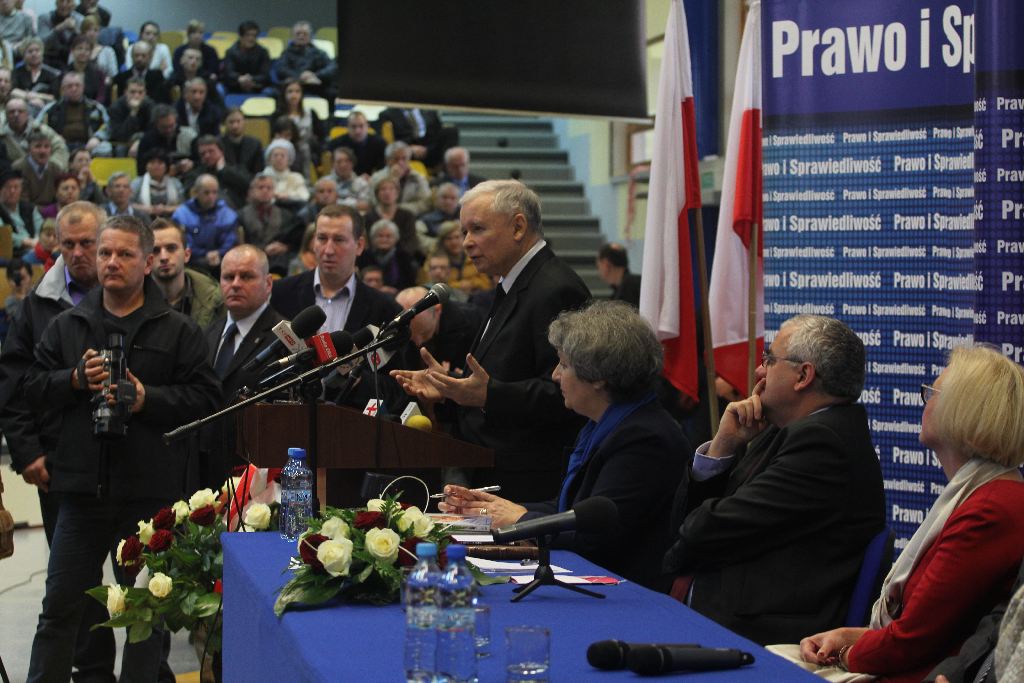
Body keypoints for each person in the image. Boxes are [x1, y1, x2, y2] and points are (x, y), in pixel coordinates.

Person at [23, 214, 220, 682]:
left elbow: (208, 401)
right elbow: (30, 389)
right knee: (59, 611)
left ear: (148, 261)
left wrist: (148, 398)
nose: (111, 262)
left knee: (145, 618)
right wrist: (72, 380)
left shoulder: (178, 330)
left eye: (125, 253)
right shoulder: (67, 325)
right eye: (105, 253)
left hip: (149, 498)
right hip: (79, 493)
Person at [787, 345, 1024, 683]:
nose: (924, 401)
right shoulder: (985, 494)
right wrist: (847, 637)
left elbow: (911, 642)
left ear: (963, 410)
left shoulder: (989, 510)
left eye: (933, 392)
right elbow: (920, 629)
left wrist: (844, 652)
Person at [662, 315, 885, 645]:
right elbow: (691, 526)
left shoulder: (823, 445)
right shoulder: (786, 430)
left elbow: (705, 530)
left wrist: (697, 525)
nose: (758, 372)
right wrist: (723, 446)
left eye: (769, 360)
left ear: (803, 376)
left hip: (763, 632)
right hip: (727, 608)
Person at [441, 300, 687, 587]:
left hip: (631, 596)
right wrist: (500, 508)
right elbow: (574, 509)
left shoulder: (646, 440)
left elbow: (597, 537)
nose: (555, 375)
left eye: (564, 365)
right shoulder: (607, 424)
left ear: (598, 377)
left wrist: (520, 518)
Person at [391, 179, 591, 501]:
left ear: (518, 227)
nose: (467, 242)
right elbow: (503, 378)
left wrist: (486, 395)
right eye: (464, 232)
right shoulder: (512, 282)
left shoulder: (554, 289)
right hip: (495, 468)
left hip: (529, 482)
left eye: (477, 229)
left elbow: (567, 393)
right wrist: (451, 388)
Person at [0, 202, 119, 682]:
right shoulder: (36, 306)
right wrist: (28, 453)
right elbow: (13, 387)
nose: (77, 253)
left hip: (132, 466)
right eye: (66, 245)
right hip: (60, 467)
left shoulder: (131, 296)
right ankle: (92, 672)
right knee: (74, 584)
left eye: (86, 243)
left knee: (142, 578)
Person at [199, 244, 282, 489]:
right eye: (228, 277)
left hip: (258, 475)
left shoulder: (284, 337)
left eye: (246, 276)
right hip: (206, 469)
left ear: (268, 284)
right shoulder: (208, 333)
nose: (235, 284)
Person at [271, 203, 399, 335]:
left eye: (339, 239)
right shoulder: (280, 293)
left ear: (360, 245)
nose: (328, 250)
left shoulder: (384, 309)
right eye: (322, 238)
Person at [150, 218, 224, 329]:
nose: (164, 257)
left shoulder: (216, 301)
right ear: (146, 259)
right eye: (156, 250)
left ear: (187, 255)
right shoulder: (132, 300)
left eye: (171, 248)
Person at [171, 173, 239, 271]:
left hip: (221, 259)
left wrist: (218, 253)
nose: (211, 197)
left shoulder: (227, 214)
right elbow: (184, 243)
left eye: (214, 192)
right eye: (206, 193)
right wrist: (205, 254)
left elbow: (230, 241)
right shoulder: (182, 214)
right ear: (196, 192)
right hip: (193, 261)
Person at [37, 71, 110, 155]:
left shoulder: (96, 108)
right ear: (63, 89)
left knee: (105, 148)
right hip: (60, 145)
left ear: (83, 87)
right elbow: (38, 126)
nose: (74, 89)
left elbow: (107, 125)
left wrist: (97, 138)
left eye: (77, 85)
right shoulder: (51, 108)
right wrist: (53, 137)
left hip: (88, 144)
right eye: (69, 86)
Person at [273, 78, 326, 180]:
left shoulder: (311, 113)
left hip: (308, 152)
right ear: (284, 94)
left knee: (305, 149)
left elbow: (321, 136)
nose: (294, 95)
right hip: (284, 151)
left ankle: (308, 182)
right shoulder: (277, 115)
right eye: (290, 91)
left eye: (297, 91)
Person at [183, 135, 252, 211]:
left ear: (221, 152)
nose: (207, 156)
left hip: (238, 214)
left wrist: (223, 170)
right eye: (203, 154)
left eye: (211, 151)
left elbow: (248, 185)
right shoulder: (195, 175)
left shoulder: (237, 169)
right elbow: (190, 195)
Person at [363, 175, 423, 263]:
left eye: (391, 189)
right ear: (377, 194)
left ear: (397, 193)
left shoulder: (407, 216)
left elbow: (411, 242)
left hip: (401, 259)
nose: (387, 192)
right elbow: (368, 243)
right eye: (383, 189)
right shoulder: (368, 217)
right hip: (374, 259)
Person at [273, 21, 336, 99]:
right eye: (298, 34)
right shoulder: (286, 53)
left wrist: (315, 75)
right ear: (293, 36)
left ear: (310, 36)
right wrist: (300, 76)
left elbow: (332, 67)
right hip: (293, 85)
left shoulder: (319, 53)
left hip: (315, 86)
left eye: (305, 34)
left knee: (333, 93)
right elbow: (281, 69)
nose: (301, 36)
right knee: (273, 93)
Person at [377, 106, 456, 168]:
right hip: (406, 152)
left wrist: (428, 148)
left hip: (429, 149)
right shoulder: (387, 114)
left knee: (450, 131)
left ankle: (450, 168)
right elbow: (387, 141)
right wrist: (408, 148)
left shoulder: (429, 110)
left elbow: (438, 131)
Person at [369, 140, 432, 216]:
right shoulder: (377, 177)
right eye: (396, 159)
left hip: (412, 216)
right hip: (383, 217)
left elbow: (425, 203)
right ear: (387, 160)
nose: (400, 163)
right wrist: (393, 179)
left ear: (409, 160)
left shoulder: (418, 178)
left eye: (404, 158)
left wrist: (400, 209)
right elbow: (375, 203)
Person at [355, 219, 417, 294]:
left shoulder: (404, 257)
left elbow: (410, 285)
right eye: (380, 236)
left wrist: (395, 291)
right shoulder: (363, 256)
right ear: (372, 238)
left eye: (388, 236)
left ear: (396, 239)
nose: (384, 239)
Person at [432, 220, 491, 294]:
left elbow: (486, 284)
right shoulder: (435, 261)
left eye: (457, 237)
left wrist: (471, 284)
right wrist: (460, 285)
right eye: (449, 238)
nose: (454, 242)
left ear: (463, 238)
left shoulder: (475, 256)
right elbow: (433, 285)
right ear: (442, 241)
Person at [328, 109, 385, 177]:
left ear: (367, 126)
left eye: (361, 126)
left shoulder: (380, 144)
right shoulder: (336, 144)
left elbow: (383, 169)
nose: (358, 131)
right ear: (348, 127)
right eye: (353, 127)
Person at [106, 77, 153, 157]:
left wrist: (139, 140)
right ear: (125, 93)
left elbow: (153, 130)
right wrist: (133, 113)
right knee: (120, 148)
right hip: (122, 142)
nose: (136, 96)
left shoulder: (151, 106)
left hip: (143, 141)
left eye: (140, 92)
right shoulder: (116, 107)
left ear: (145, 94)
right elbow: (119, 135)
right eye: (132, 92)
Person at [130, 147, 183, 218]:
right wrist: (148, 209)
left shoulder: (176, 183)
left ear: (166, 166)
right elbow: (128, 204)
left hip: (171, 221)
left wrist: (165, 209)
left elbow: (183, 206)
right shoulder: (137, 183)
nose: (156, 166)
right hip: (142, 221)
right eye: (152, 162)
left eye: (160, 163)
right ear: (146, 166)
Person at [0, 167, 42, 255]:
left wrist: (38, 241)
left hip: (36, 249)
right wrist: (26, 241)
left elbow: (41, 227)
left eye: (16, 187)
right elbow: (3, 234)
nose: (12, 191)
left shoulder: (29, 208)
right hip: (12, 254)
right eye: (8, 187)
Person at [222, 20, 271, 94]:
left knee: (270, 92)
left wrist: (251, 79)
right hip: (235, 86)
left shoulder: (263, 52)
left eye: (254, 35)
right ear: (241, 36)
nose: (251, 39)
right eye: (247, 35)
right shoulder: (231, 52)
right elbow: (228, 72)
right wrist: (240, 78)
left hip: (257, 86)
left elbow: (265, 74)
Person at [112, 40, 165, 107]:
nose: (139, 59)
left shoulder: (157, 77)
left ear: (150, 57)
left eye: (143, 56)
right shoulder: (121, 78)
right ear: (131, 56)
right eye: (136, 55)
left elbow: (161, 101)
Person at [11, 38, 61, 110]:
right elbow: (13, 91)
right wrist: (28, 97)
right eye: (30, 51)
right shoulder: (17, 72)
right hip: (21, 107)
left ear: (42, 53)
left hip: (45, 107)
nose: (34, 54)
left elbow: (54, 97)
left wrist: (36, 96)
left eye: (37, 50)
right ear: (23, 55)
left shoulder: (51, 74)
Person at [12, 131, 59, 205]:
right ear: (29, 149)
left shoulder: (56, 169)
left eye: (46, 146)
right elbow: (21, 201)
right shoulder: (18, 168)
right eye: (38, 146)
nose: (43, 151)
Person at [262, 138, 309, 204]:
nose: (279, 158)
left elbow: (305, 196)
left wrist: (288, 196)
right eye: (275, 155)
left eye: (282, 155)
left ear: (289, 159)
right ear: (269, 158)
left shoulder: (297, 177)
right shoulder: (262, 178)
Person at [37, 0, 82, 69]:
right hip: (49, 60)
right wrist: (59, 28)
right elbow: (41, 44)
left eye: (68, 1)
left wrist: (75, 30)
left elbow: (84, 43)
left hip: (72, 61)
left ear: (73, 4)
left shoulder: (80, 19)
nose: (64, 5)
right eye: (61, 1)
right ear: (56, 3)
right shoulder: (45, 18)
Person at [220, 107, 264, 177]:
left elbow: (258, 171)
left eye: (238, 121)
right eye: (231, 122)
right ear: (225, 123)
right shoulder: (218, 144)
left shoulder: (255, 144)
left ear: (244, 122)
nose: (235, 126)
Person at [324, 146, 370, 211]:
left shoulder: (361, 183)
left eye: (347, 161)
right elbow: (323, 203)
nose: (343, 165)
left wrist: (336, 202)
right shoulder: (324, 182)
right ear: (332, 164)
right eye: (339, 161)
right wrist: (354, 203)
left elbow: (365, 205)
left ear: (352, 163)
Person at [171, 20, 218, 84]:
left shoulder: (210, 51)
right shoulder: (179, 51)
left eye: (200, 33)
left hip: (204, 81)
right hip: (182, 80)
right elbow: (177, 69)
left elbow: (212, 70)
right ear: (188, 34)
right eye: (194, 32)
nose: (197, 36)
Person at [65, 34, 106, 104]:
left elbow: (101, 96)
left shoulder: (99, 74)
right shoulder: (65, 73)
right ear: (72, 51)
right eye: (79, 48)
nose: (83, 52)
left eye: (87, 49)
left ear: (91, 52)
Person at [597, 242, 641, 307]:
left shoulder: (626, 290)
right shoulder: (636, 283)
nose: (599, 270)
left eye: (598, 266)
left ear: (606, 264)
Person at [76, 15, 117, 80]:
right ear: (83, 32)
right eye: (89, 30)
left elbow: (113, 75)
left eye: (95, 30)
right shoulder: (76, 50)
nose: (92, 33)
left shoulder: (108, 51)